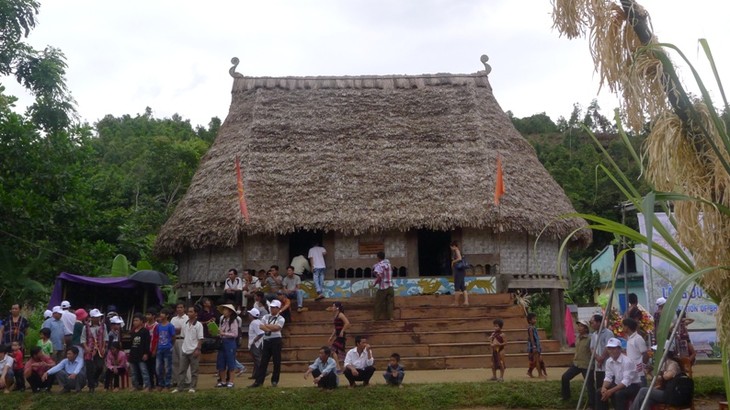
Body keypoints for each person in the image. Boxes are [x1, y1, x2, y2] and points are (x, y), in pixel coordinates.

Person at [249, 299, 285, 388]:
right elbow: (261, 326)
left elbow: (277, 328)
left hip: (276, 340)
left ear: (278, 308)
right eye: (271, 307)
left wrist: (267, 327)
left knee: (276, 361)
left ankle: (275, 380)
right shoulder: (266, 317)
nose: (272, 309)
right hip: (267, 340)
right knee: (263, 362)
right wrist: (270, 328)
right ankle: (259, 381)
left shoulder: (281, 318)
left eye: (274, 307)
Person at [598, 338, 642, 410]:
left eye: (613, 348)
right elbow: (608, 377)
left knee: (619, 394)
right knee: (599, 392)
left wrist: (610, 391)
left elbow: (626, 382)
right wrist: (604, 388)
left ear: (619, 349)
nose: (611, 351)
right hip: (619, 384)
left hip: (632, 386)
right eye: (609, 349)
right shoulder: (609, 361)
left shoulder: (627, 362)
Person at [172, 305, 204, 393]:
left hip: (194, 350)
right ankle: (180, 387)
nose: (189, 313)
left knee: (194, 370)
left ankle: (192, 387)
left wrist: (198, 349)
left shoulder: (198, 325)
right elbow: (183, 336)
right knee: (182, 370)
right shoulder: (185, 324)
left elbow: (200, 338)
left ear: (195, 313)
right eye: (188, 311)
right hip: (185, 349)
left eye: (191, 312)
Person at [588, 313, 615, 410]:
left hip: (607, 366)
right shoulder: (594, 334)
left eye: (593, 322)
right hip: (598, 367)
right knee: (599, 388)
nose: (591, 324)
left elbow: (609, 347)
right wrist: (597, 358)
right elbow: (591, 348)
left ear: (599, 322)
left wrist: (601, 358)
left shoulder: (608, 333)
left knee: (607, 386)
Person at [561, 319, 591, 401]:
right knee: (565, 377)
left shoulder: (590, 339)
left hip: (586, 365)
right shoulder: (578, 338)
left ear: (586, 328)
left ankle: (592, 403)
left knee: (589, 384)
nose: (579, 327)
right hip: (576, 364)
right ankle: (566, 397)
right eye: (579, 326)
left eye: (581, 326)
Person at [80, 308, 106, 392]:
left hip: (99, 348)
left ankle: (94, 379)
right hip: (89, 349)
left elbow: (105, 337)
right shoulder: (86, 327)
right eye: (96, 317)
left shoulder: (103, 326)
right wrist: (86, 347)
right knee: (89, 368)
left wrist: (104, 347)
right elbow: (83, 339)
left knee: (100, 366)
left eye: (98, 317)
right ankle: (91, 386)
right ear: (91, 318)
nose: (98, 318)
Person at [215, 304, 239, 388]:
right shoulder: (222, 320)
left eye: (225, 310)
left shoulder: (233, 321)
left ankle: (231, 381)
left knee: (230, 362)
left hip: (230, 342)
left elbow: (235, 334)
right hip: (222, 342)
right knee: (221, 362)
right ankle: (223, 381)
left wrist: (224, 333)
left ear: (230, 312)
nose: (224, 312)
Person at [128, 313, 151, 391]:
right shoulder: (133, 331)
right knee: (134, 372)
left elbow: (147, 343)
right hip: (133, 354)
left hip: (141, 354)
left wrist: (146, 353)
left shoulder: (145, 331)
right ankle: (136, 386)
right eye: (134, 320)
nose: (134, 322)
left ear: (141, 321)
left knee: (143, 371)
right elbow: (131, 344)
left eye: (136, 320)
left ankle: (147, 386)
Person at [623, 318, 648, 385]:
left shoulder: (638, 338)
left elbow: (645, 354)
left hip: (639, 373)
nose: (622, 328)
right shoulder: (629, 338)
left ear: (627, 327)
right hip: (631, 371)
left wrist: (643, 366)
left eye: (623, 326)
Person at [155, 309, 176, 390]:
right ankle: (161, 383)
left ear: (167, 315)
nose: (161, 315)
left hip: (167, 348)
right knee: (158, 367)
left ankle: (167, 384)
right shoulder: (158, 326)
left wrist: (171, 346)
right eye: (161, 313)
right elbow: (157, 337)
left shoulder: (170, 326)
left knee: (167, 367)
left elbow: (173, 337)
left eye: (163, 313)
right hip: (159, 348)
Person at [170, 302, 189, 387]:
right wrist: (176, 330)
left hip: (183, 340)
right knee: (175, 361)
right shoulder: (173, 319)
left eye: (181, 307)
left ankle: (187, 380)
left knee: (184, 360)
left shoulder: (187, 318)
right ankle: (176, 380)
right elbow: (171, 330)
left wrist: (177, 330)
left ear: (184, 308)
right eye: (178, 307)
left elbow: (185, 329)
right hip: (174, 340)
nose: (179, 309)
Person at [328, 302, 350, 372]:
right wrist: (331, 336)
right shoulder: (336, 315)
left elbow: (347, 323)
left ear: (337, 307)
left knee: (334, 350)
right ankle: (340, 366)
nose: (332, 308)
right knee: (337, 351)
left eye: (334, 306)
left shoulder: (340, 314)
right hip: (338, 334)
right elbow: (335, 328)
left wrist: (342, 330)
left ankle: (339, 367)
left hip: (341, 335)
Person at [372, 251, 394, 320]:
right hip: (390, 286)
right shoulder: (389, 264)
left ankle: (375, 318)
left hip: (383, 287)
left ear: (378, 257)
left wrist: (375, 283)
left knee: (378, 303)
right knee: (390, 303)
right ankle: (390, 317)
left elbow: (379, 277)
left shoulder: (379, 266)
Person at [526, 312, 546, 378]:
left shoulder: (533, 327)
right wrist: (534, 346)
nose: (535, 320)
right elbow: (531, 338)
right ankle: (540, 374)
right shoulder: (531, 328)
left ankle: (529, 372)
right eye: (534, 319)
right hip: (533, 346)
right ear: (529, 320)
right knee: (537, 360)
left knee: (537, 360)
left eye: (535, 319)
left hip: (536, 345)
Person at [247, 307, 264, 380]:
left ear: (251, 315)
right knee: (255, 359)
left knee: (257, 359)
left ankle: (264, 371)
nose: (248, 315)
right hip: (256, 343)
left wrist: (254, 341)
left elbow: (260, 333)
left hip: (255, 344)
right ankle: (255, 374)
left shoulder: (254, 322)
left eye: (249, 314)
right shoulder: (258, 322)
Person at [449, 241, 469, 306]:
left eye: (451, 247)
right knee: (463, 287)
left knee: (457, 287)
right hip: (461, 271)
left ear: (454, 246)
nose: (451, 248)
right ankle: (466, 301)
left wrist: (453, 262)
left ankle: (456, 302)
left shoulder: (457, 251)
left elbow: (459, 258)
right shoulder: (459, 250)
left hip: (458, 271)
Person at [144, 307, 159, 388]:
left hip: (154, 349)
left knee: (155, 368)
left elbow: (157, 339)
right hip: (147, 350)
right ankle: (151, 384)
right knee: (148, 367)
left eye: (149, 314)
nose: (147, 316)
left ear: (153, 316)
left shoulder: (157, 326)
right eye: (146, 314)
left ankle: (158, 383)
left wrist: (155, 350)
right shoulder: (145, 325)